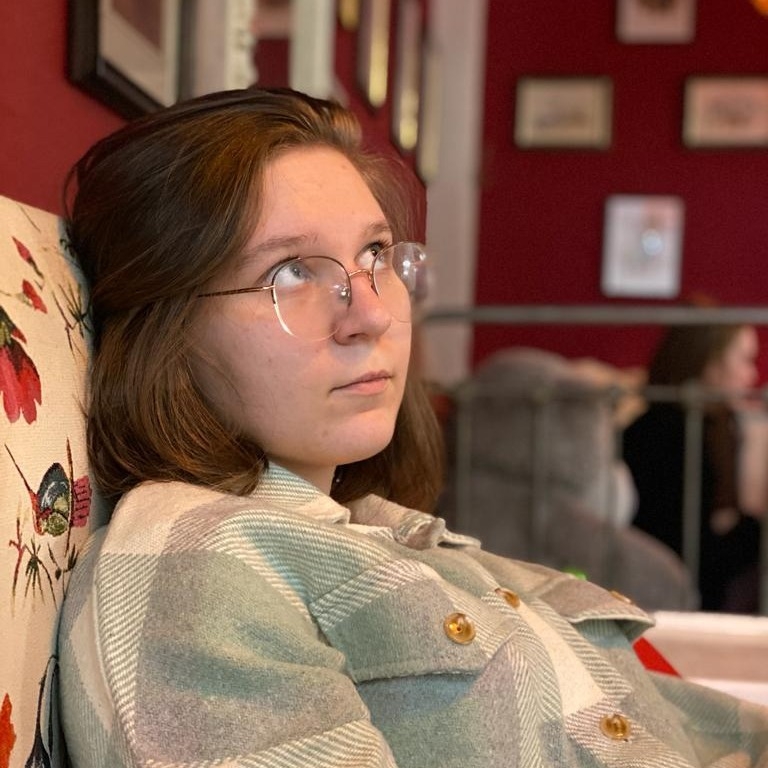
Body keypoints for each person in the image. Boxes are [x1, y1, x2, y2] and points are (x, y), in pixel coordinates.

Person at [57, 88, 768, 768]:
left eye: (376, 254)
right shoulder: (195, 568)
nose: (373, 313)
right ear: (166, 332)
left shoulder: (371, 530)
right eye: (292, 272)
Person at [622, 322, 763, 612]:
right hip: (665, 586)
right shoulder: (665, 434)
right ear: (709, 363)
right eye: (744, 359)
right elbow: (693, 546)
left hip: (699, 575)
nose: (751, 374)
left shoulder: (720, 426)